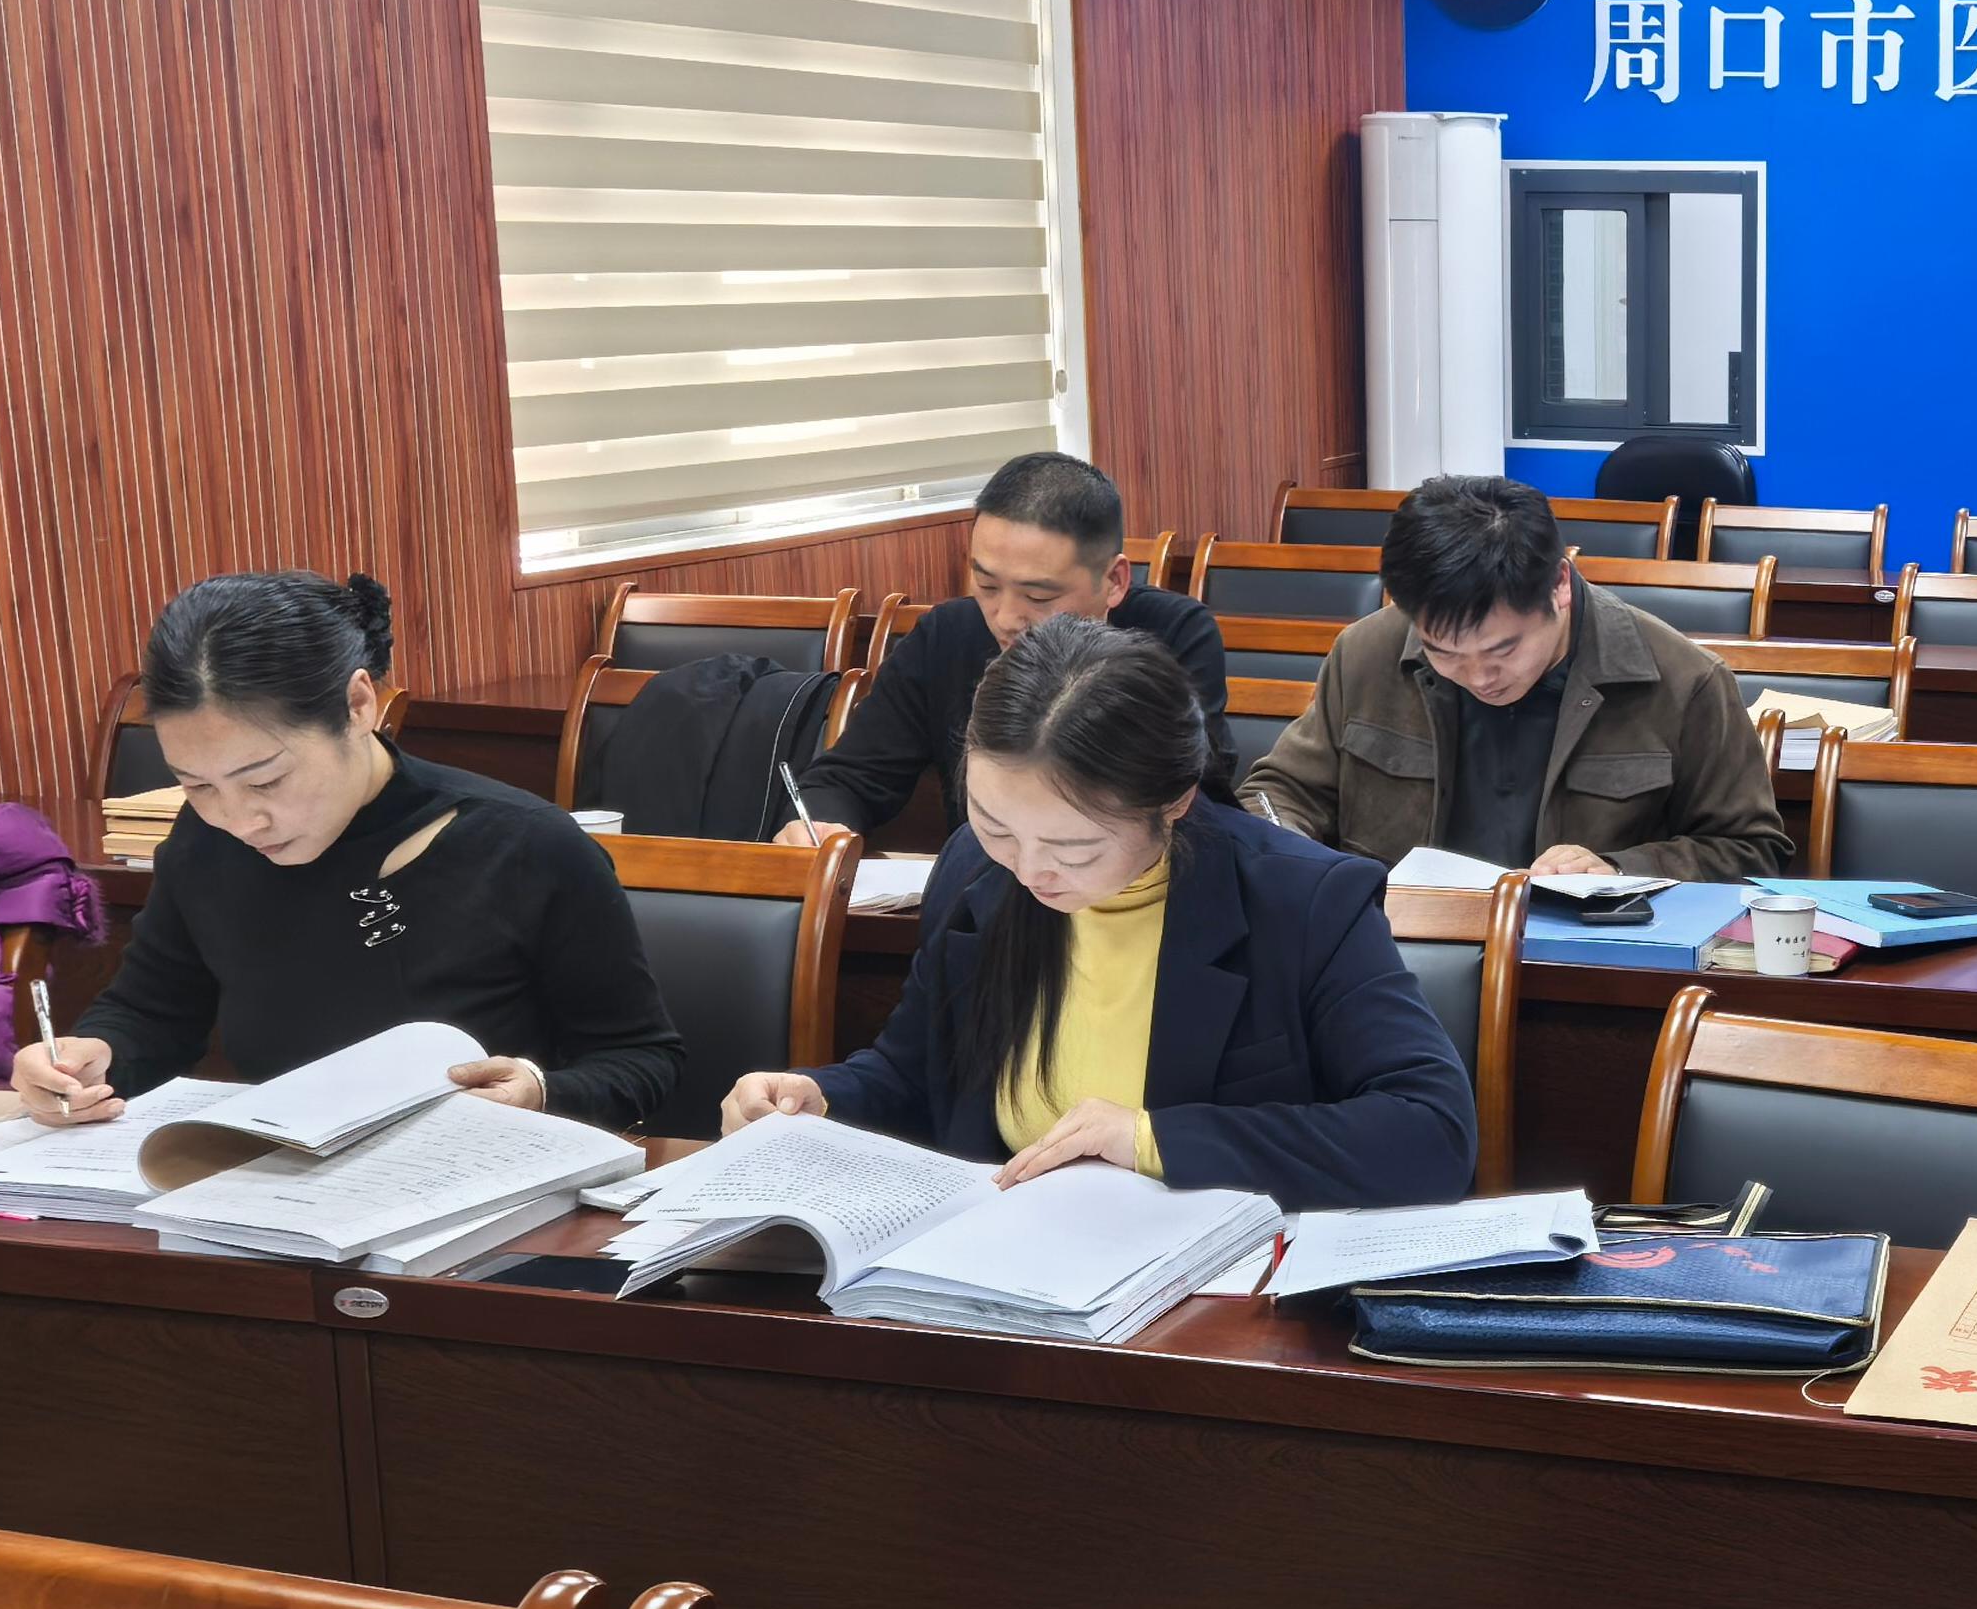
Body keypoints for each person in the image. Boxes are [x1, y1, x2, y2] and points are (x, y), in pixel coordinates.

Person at [723, 615, 1474, 1209]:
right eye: (995, 824)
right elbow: (916, 1072)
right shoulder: (976, 868)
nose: (1028, 869)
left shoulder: (1303, 901)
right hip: (1001, 1263)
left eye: (1073, 848)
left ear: (1173, 802)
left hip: (1214, 1293)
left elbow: (1430, 1131)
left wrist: (1149, 1138)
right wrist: (819, 1100)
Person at [11, 572, 683, 1127]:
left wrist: (540, 1089)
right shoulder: (204, 840)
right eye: (198, 785)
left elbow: (641, 1062)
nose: (240, 819)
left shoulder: (526, 846)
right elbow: (151, 1011)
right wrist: (92, 1057)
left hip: (487, 1194)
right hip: (281, 1187)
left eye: (266, 779)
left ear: (358, 704)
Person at [1236, 475, 1787, 878]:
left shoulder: (1684, 681)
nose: (1479, 677)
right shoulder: (1365, 654)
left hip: (1582, 969)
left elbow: (1751, 851)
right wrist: (1286, 847)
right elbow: (1280, 792)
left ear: (1559, 586)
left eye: (1504, 649)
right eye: (1443, 653)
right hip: (1392, 949)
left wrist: (1620, 869)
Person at [777, 452, 1235, 844]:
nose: (1006, 618)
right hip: (985, 890)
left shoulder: (1173, 634)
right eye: (987, 585)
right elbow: (852, 776)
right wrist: (819, 824)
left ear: (1114, 581)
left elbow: (1194, 795)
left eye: (1038, 596)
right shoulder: (946, 635)